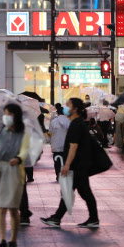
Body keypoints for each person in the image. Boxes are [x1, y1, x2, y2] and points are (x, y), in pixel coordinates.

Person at [41, 98, 99, 228]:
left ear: (75, 109)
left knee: (76, 192)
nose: (66, 108)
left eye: (68, 106)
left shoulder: (76, 124)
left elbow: (73, 146)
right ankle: (91, 218)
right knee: (79, 192)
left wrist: (67, 165)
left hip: (77, 165)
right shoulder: (77, 123)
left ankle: (58, 218)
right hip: (79, 164)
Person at [0, 104, 30, 247]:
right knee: (0, 208)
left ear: (16, 116)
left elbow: (24, 151)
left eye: (9, 114)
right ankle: (2, 239)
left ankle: (13, 239)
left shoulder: (23, 135)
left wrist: (18, 159)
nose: (6, 117)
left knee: (13, 209)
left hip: (15, 173)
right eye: (5, 114)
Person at [49, 105, 70, 181]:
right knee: (65, 161)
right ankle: (65, 175)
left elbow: (50, 133)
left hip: (56, 145)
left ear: (57, 113)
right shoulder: (69, 121)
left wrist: (50, 142)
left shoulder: (53, 121)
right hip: (66, 146)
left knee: (57, 162)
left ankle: (58, 176)